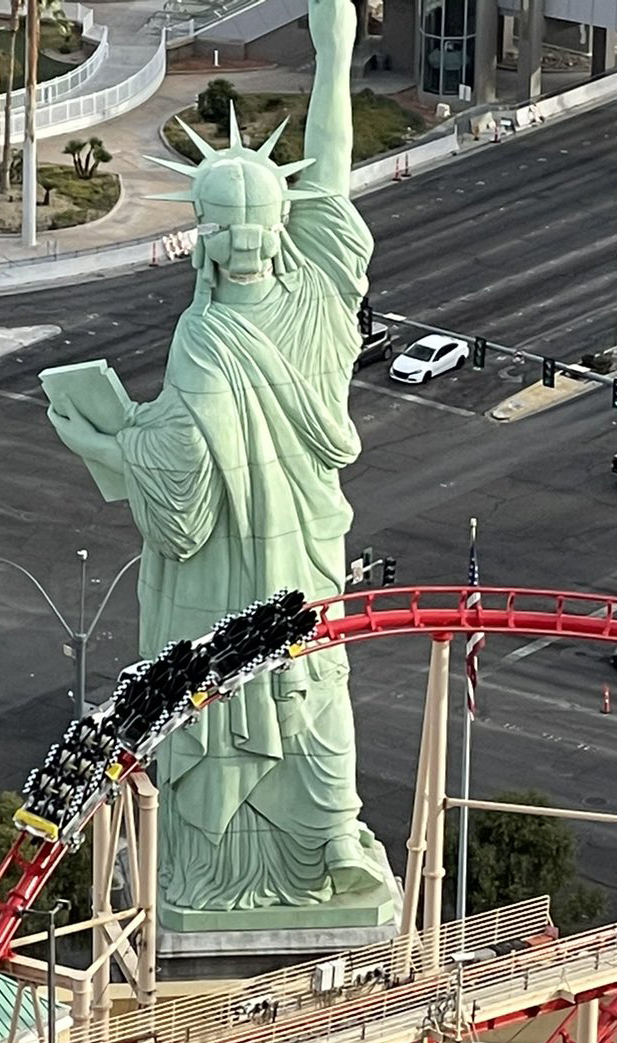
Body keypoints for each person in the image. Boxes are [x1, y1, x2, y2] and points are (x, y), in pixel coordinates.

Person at [44, 0, 394, 919]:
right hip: (289, 568)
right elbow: (332, 179)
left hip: (245, 581)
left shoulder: (214, 333)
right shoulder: (318, 299)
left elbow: (179, 487)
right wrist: (331, 53)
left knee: (262, 708)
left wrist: (103, 436)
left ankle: (263, 868)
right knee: (309, 696)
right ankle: (304, 854)